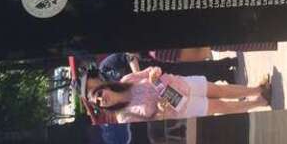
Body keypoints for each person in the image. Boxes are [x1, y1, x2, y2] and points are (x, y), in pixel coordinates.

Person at [81, 66, 271, 122]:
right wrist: (161, 111)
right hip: (180, 108)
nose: (101, 98)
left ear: (104, 87)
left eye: (99, 93)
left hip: (179, 85)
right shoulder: (124, 117)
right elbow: (153, 124)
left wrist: (154, 72)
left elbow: (148, 71)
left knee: (219, 89)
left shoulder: (126, 80)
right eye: (98, 102)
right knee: (220, 106)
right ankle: (259, 102)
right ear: (103, 107)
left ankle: (257, 89)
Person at [98, 51, 237, 84]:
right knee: (189, 81)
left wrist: (138, 75)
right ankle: (224, 75)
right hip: (154, 82)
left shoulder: (105, 67)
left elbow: (129, 54)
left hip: (154, 65)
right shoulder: (106, 88)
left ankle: (227, 64)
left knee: (190, 69)